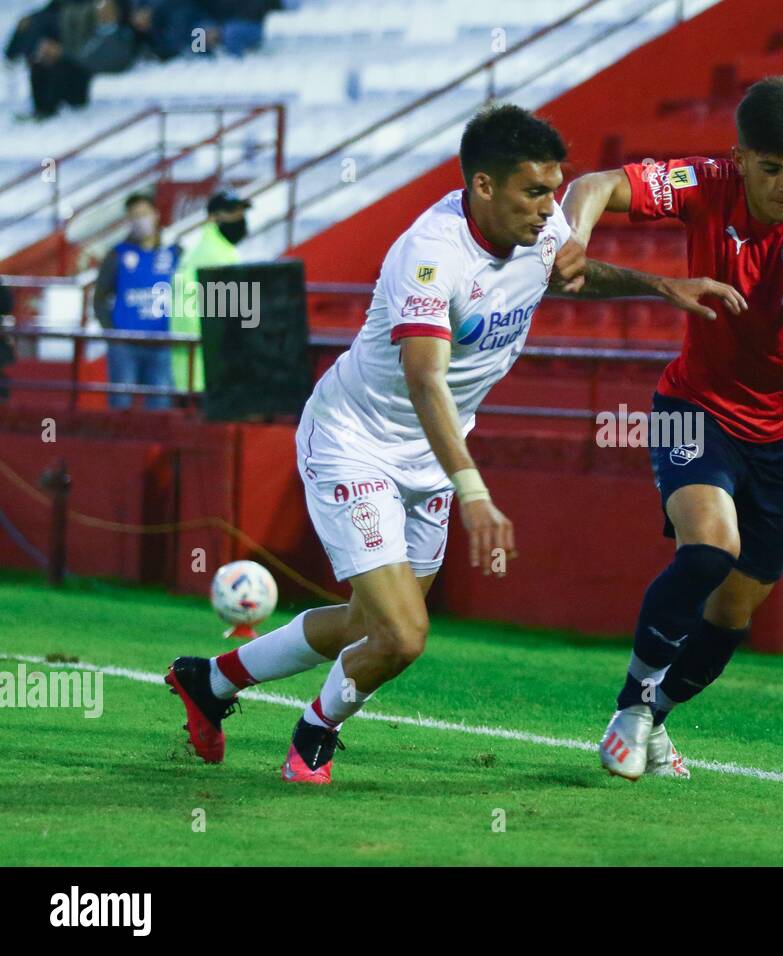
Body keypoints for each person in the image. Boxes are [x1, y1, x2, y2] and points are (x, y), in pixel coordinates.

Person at [163, 103, 739, 784]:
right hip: (356, 443)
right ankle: (313, 733)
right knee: (403, 635)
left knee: (366, 625)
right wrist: (474, 491)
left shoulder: (538, 224)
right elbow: (425, 381)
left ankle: (211, 679)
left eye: (554, 190)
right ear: (484, 187)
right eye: (534, 192)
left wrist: (660, 286)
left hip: (431, 458)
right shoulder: (430, 257)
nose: (549, 208)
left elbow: (572, 275)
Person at [561, 76, 783, 779]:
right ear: (741, 158)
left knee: (734, 611)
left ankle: (657, 714)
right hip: (692, 409)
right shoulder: (705, 182)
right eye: (773, 169)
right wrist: (572, 239)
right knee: (709, 549)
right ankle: (632, 707)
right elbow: (597, 183)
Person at [93, 191, 179, 410]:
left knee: (160, 406)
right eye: (134, 216)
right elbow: (100, 297)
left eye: (144, 214)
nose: (140, 220)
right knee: (121, 406)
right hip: (125, 345)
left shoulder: (173, 253)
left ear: (156, 215)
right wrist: (112, 334)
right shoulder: (117, 255)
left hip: (161, 343)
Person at [169, 187, 248, 401]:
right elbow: (225, 318)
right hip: (207, 371)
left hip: (196, 370)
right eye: (233, 213)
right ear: (214, 217)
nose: (240, 218)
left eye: (242, 212)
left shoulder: (210, 250)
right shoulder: (216, 255)